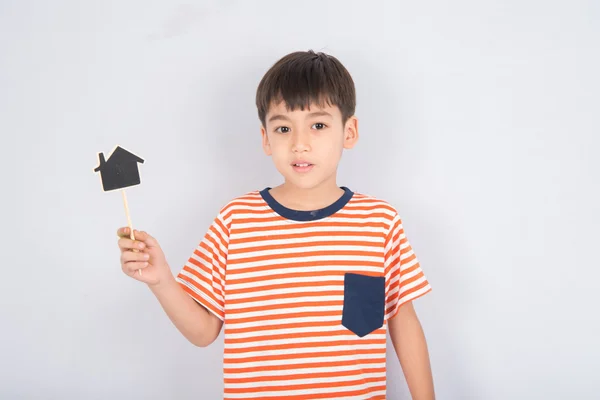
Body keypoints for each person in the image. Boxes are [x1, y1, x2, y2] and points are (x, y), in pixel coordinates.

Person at [117, 50, 435, 399]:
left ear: (349, 131)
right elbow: (204, 331)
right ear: (266, 138)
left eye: (318, 125)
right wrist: (161, 280)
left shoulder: (379, 222)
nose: (299, 144)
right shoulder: (236, 221)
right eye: (283, 128)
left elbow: (403, 323)